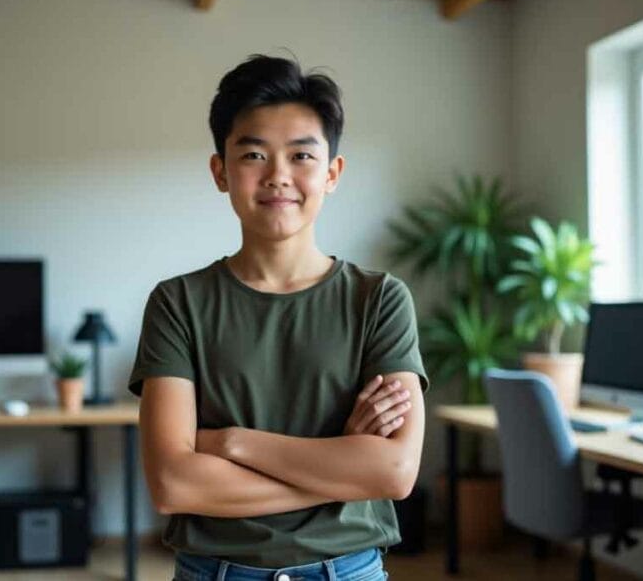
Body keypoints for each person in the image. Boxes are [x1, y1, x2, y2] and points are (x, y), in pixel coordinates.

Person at [128, 54, 428, 581]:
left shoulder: (380, 299)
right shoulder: (177, 303)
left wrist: (228, 442)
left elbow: (396, 471)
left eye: (301, 156)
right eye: (254, 155)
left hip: (350, 571)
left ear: (332, 173)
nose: (278, 176)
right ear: (220, 171)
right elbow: (173, 484)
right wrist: (342, 467)